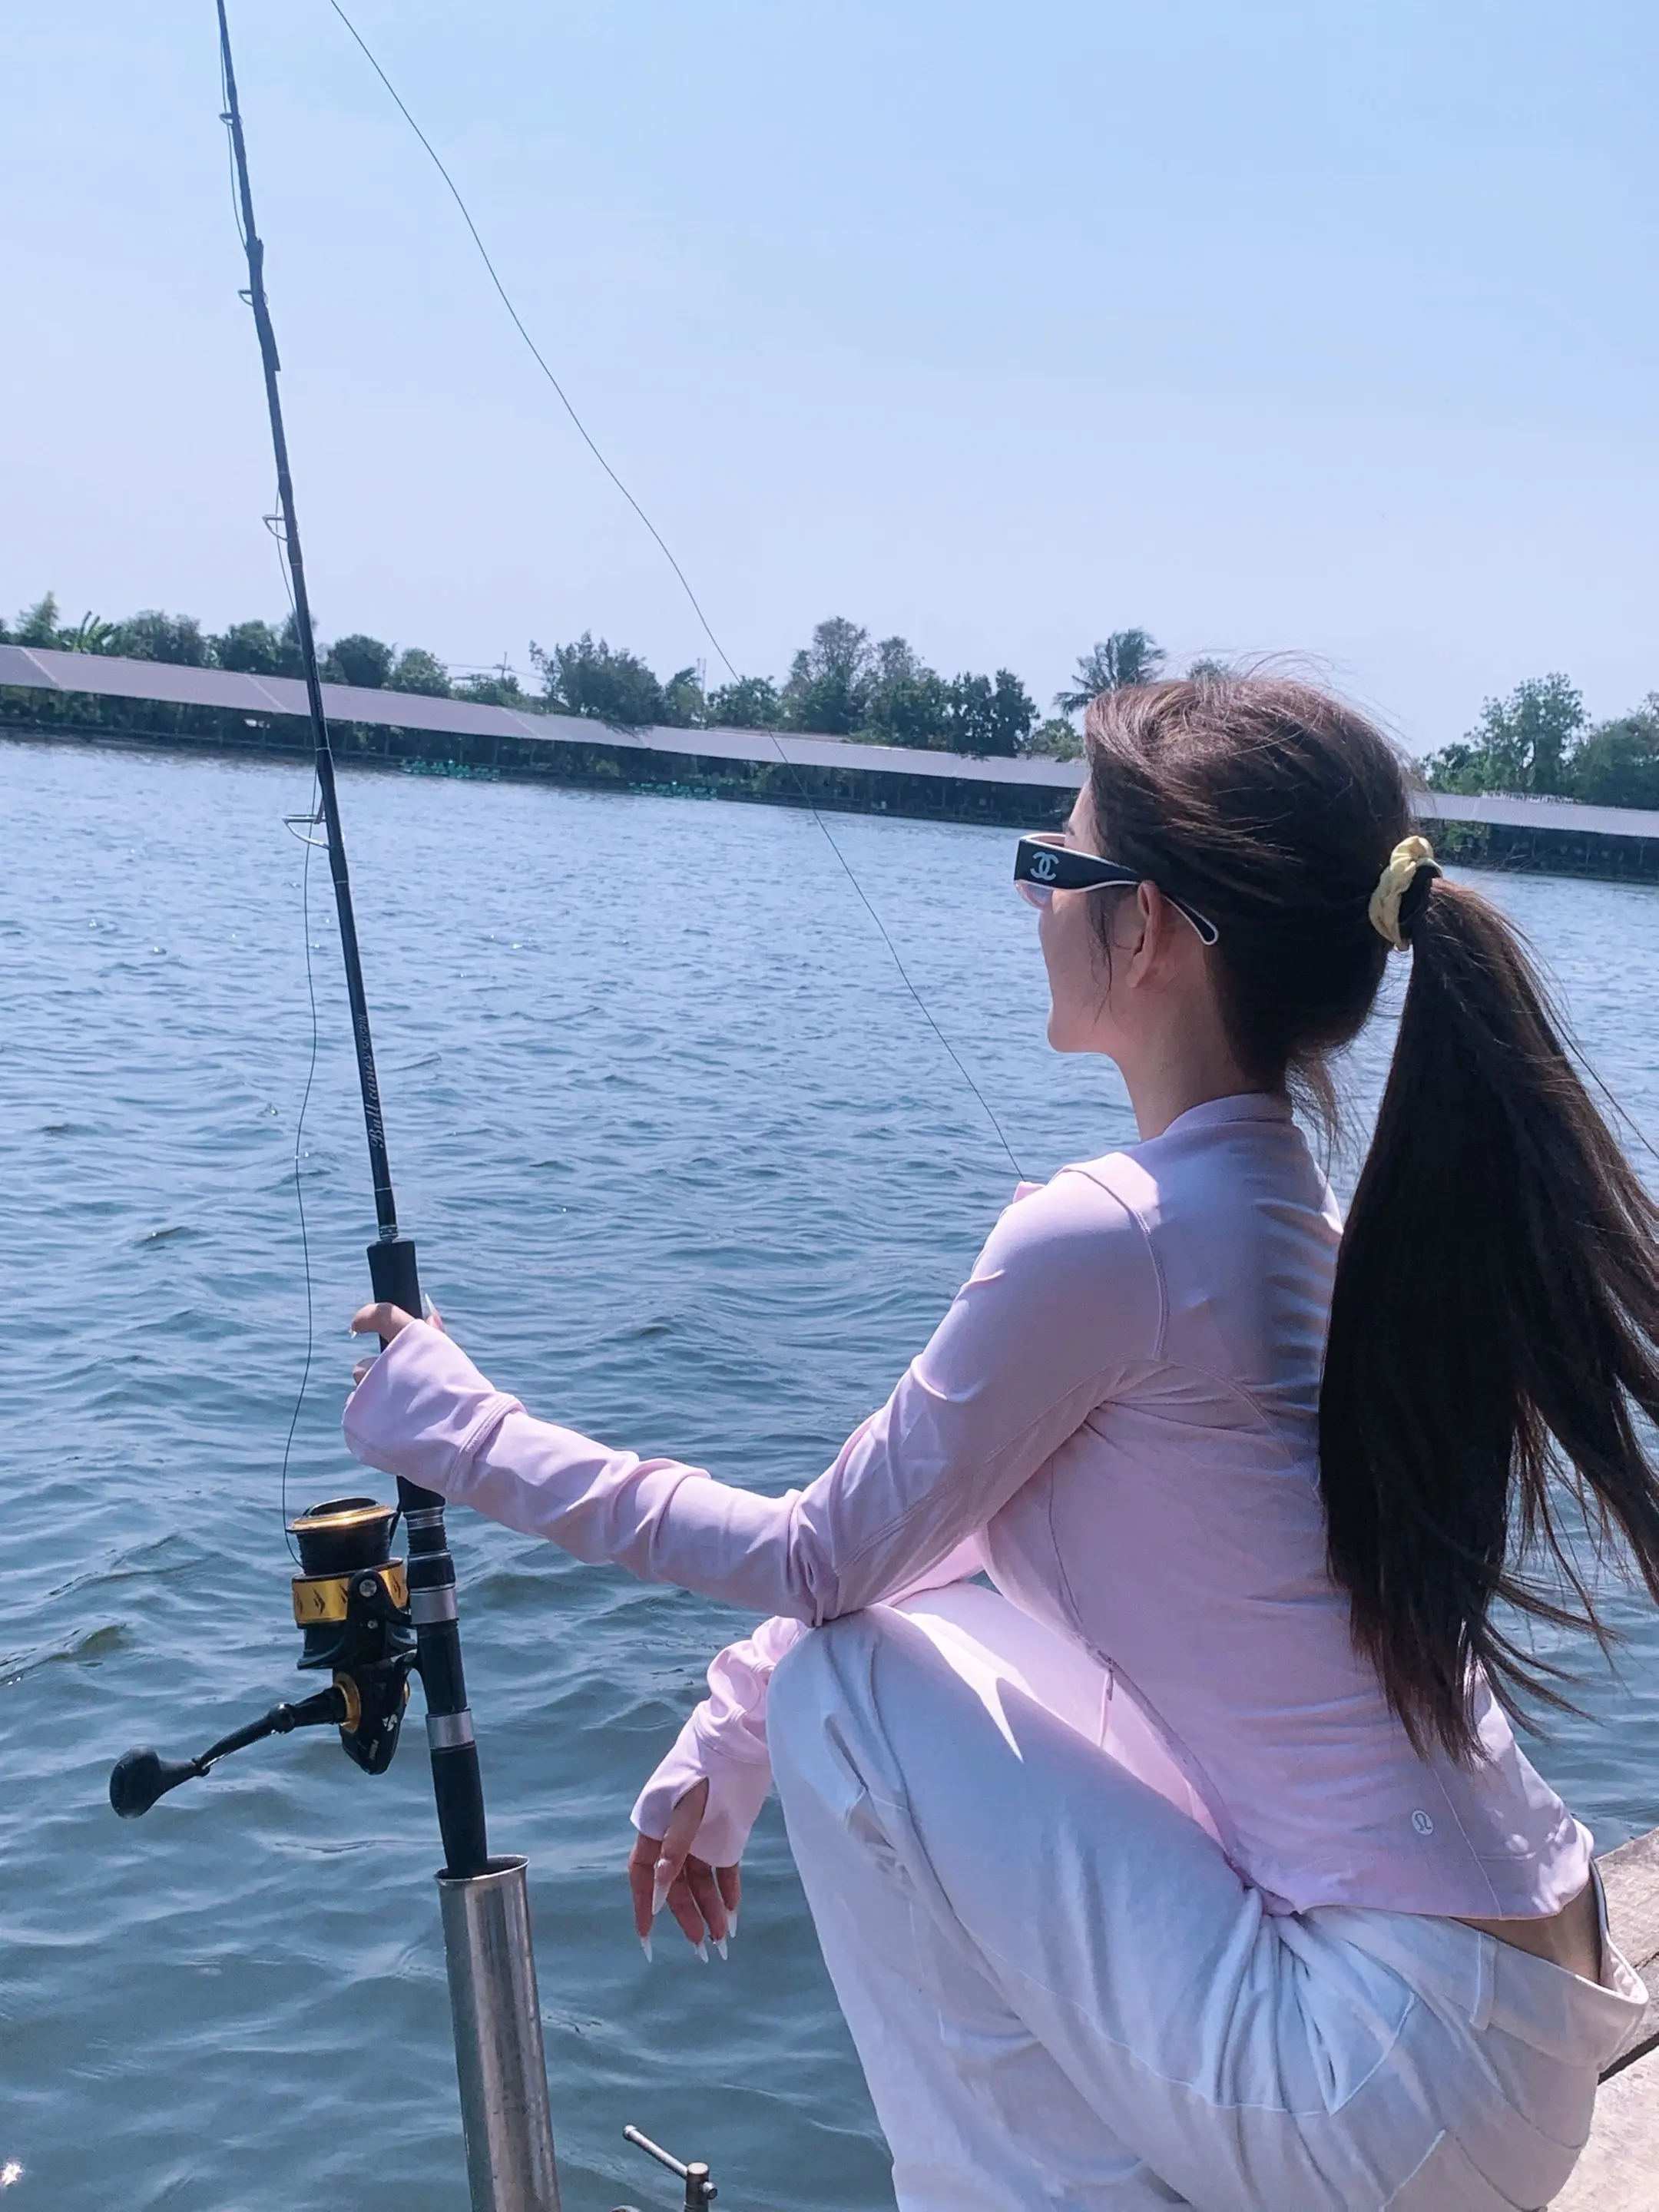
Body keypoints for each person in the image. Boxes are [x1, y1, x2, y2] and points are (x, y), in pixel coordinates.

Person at [343, 673, 1657, 2210]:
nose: (1031, 898)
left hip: (1388, 2085)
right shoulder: (1304, 1225)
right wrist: (731, 1720)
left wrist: (460, 1427)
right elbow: (946, 1534)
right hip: (1516, 2037)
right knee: (873, 1656)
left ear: (1145, 927)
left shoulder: (1117, 1236)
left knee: (847, 1689)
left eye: (1055, 862)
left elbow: (818, 1560)